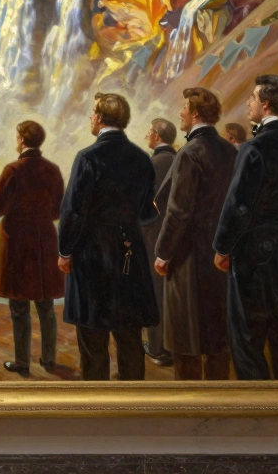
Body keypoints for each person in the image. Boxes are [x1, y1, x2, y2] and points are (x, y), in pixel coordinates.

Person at [213, 75, 278, 380]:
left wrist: (222, 247)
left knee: (248, 341)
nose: (249, 103)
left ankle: (256, 407)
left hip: (254, 257)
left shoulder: (253, 149)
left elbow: (238, 206)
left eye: (252, 98)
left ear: (266, 104)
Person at [57, 93, 159, 381]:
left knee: (93, 339)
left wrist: (65, 252)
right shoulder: (141, 158)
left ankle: (95, 405)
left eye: (92, 113)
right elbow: (146, 213)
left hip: (92, 256)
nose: (90, 117)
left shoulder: (87, 157)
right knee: (129, 338)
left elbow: (73, 212)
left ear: (100, 118)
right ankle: (134, 406)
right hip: (129, 254)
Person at [152, 88, 237, 380]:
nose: (181, 113)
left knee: (186, 342)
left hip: (187, 259)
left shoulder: (189, 153)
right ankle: (219, 402)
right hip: (219, 258)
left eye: (184, 108)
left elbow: (178, 212)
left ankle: (187, 404)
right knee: (217, 340)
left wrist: (163, 253)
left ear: (196, 114)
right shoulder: (230, 150)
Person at [0, 121, 66, 377]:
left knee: (19, 307)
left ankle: (22, 362)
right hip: (44, 240)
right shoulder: (52, 170)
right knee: (46, 305)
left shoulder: (12, 170)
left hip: (19, 242)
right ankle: (50, 360)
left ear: (21, 140)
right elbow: (57, 210)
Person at [141, 117, 178, 367]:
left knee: (155, 292)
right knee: (171, 294)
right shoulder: (177, 160)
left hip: (153, 235)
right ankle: (171, 346)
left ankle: (157, 349)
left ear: (156, 135)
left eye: (149, 132)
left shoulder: (153, 163)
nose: (146, 136)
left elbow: (142, 204)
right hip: (176, 235)